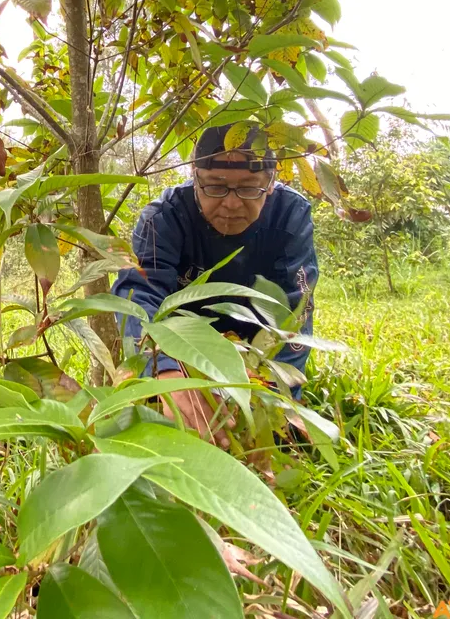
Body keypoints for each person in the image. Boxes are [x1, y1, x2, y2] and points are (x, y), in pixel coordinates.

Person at [111, 124, 318, 447]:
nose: (232, 204)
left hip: (255, 346)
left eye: (250, 188)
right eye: (215, 187)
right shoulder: (163, 218)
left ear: (272, 184)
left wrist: (275, 398)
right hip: (184, 346)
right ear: (195, 179)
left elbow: (294, 311)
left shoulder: (290, 215)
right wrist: (164, 372)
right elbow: (138, 297)